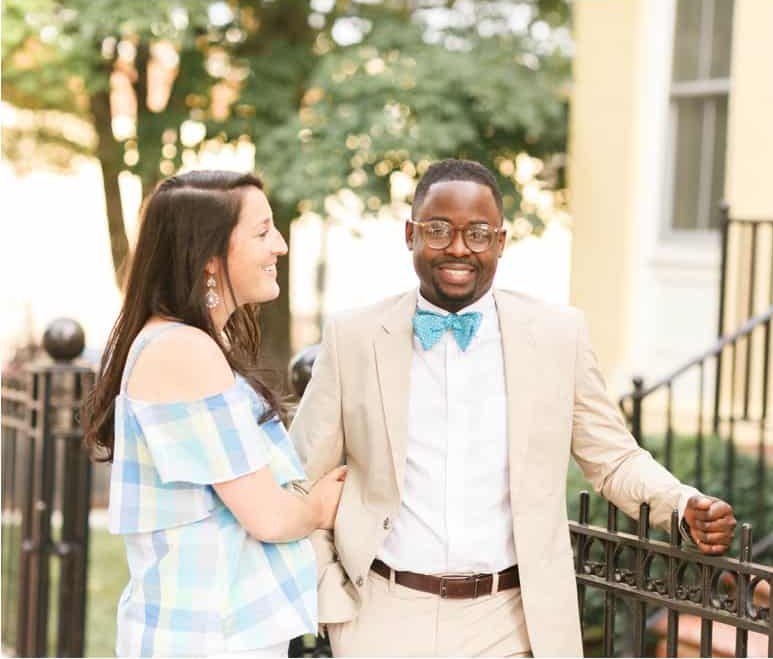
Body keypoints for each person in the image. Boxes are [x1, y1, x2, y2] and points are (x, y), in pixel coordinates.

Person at [291, 159, 737, 657]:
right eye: (439, 230)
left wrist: (679, 505)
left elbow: (612, 457)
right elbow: (300, 475)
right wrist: (331, 597)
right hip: (384, 616)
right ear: (410, 234)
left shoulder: (556, 335)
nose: (459, 248)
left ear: (500, 243)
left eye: (478, 233)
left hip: (511, 622)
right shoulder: (352, 337)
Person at [83, 170, 347, 657]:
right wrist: (320, 508)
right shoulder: (183, 349)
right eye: (263, 232)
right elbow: (266, 516)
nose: (281, 246)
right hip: (205, 637)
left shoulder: (191, 342)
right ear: (209, 257)